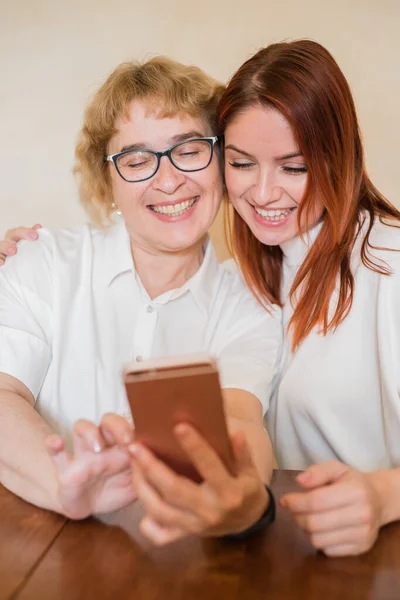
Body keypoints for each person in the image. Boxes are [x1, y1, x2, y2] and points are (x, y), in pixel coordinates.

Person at [0, 56, 281, 543]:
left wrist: (245, 494)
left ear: (222, 162)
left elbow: (241, 419)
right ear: (107, 182)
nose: (168, 180)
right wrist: (62, 485)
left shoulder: (253, 303)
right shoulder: (40, 263)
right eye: (135, 161)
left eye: (189, 150)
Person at [216, 39, 400, 556]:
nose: (263, 193)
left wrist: (384, 496)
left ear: (337, 156)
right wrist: (27, 263)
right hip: (278, 558)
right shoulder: (238, 279)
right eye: (242, 163)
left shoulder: (390, 264)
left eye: (293, 167)